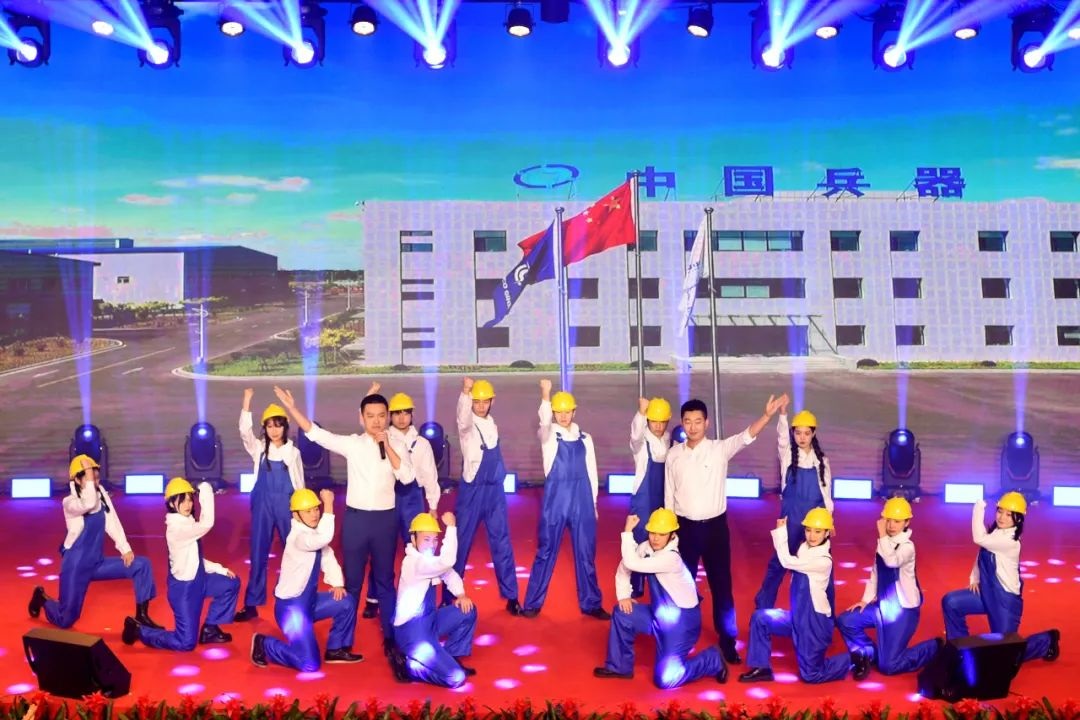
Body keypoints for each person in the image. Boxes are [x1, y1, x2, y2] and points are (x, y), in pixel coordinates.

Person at [272, 386, 412, 658]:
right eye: (370, 416)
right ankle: (341, 643)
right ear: (361, 417)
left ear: (387, 417)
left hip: (385, 520)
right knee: (352, 583)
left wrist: (388, 446)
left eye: (381, 416)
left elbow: (406, 477)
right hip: (356, 521)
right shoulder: (352, 444)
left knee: (385, 581)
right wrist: (292, 408)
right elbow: (316, 434)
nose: (376, 421)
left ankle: (391, 639)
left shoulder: (398, 445)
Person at [664, 394, 787, 663]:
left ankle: (728, 640)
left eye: (698, 421)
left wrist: (767, 415)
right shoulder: (673, 455)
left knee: (721, 585)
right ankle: (680, 638)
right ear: (682, 423)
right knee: (680, 584)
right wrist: (669, 533)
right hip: (684, 529)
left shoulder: (719, 449)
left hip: (715, 529)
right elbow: (668, 495)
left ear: (706, 423)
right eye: (688, 421)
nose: (693, 427)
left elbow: (746, 436)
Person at [593, 509, 727, 688]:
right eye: (652, 532)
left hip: (682, 624)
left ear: (672, 535)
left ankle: (712, 659)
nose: (655, 538)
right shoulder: (646, 547)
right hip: (659, 614)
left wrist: (627, 532)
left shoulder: (671, 559)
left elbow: (632, 562)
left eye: (662, 534)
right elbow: (625, 565)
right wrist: (624, 595)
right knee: (622, 613)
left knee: (665, 680)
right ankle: (619, 667)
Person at [29, 455, 161, 630]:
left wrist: (125, 548)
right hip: (76, 567)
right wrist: (89, 474)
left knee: (142, 565)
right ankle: (42, 598)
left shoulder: (101, 495)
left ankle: (142, 616)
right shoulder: (69, 502)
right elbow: (89, 503)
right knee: (65, 620)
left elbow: (112, 521)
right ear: (77, 480)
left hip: (97, 563)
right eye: (91, 478)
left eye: (97, 478)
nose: (95, 482)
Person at [739, 509, 869, 684]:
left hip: (814, 623)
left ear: (827, 533)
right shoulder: (804, 547)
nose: (812, 536)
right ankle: (761, 667)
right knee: (760, 618)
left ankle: (855, 657)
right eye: (808, 530)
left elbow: (787, 561)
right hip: (798, 617)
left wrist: (781, 532)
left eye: (818, 531)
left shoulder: (823, 560)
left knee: (811, 675)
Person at [521, 380, 608, 620]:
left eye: (567, 411)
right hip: (556, 501)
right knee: (546, 550)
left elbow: (592, 471)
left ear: (574, 412)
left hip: (582, 500)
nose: (563, 415)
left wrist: (593, 504)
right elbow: (543, 422)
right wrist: (545, 395)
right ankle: (532, 602)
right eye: (558, 411)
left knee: (586, 552)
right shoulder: (548, 436)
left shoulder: (586, 438)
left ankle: (591, 603)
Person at [940, 494, 1060, 663]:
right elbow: (982, 552)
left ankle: (1046, 642)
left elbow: (979, 539)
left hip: (1005, 601)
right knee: (951, 602)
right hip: (987, 593)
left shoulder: (1010, 541)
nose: (1002, 517)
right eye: (1000, 511)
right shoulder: (996, 533)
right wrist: (974, 578)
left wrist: (978, 506)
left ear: (1019, 519)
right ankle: (959, 650)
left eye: (1009, 514)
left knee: (1005, 654)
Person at [122, 478, 240, 650]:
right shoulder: (177, 528)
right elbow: (207, 523)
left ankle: (210, 629)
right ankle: (139, 631)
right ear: (171, 503)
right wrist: (206, 488)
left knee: (231, 583)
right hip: (184, 592)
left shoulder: (187, 522)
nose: (188, 504)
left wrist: (219, 569)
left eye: (190, 499)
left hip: (200, 581)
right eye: (182, 500)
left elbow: (193, 559)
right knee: (185, 643)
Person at [251, 488, 362, 670]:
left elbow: (328, 557)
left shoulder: (313, 534)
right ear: (296, 515)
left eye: (316, 509)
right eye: (308, 511)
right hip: (291, 610)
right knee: (309, 664)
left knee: (346, 601)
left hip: (309, 602)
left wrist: (337, 584)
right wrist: (329, 504)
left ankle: (335, 649)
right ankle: (265, 644)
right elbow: (324, 538)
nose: (314, 514)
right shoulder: (299, 538)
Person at [361, 384, 441, 620]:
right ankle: (373, 598)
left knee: (418, 550)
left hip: (413, 499)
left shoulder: (422, 443)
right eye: (397, 413)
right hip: (388, 497)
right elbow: (364, 422)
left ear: (412, 415)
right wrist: (370, 395)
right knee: (381, 550)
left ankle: (419, 597)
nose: (402, 417)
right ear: (390, 416)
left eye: (406, 412)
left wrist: (433, 506)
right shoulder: (381, 438)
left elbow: (430, 475)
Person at [835, 497, 940, 675]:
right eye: (888, 520)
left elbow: (892, 561)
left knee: (889, 666)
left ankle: (934, 647)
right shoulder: (884, 543)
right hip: (883, 606)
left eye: (897, 521)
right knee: (846, 620)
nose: (891, 525)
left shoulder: (907, 546)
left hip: (902, 611)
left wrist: (882, 536)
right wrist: (865, 600)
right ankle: (867, 655)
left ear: (907, 522)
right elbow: (875, 572)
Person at [754, 403, 834, 610]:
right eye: (798, 433)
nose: (802, 437)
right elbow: (782, 439)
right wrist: (783, 414)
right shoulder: (788, 455)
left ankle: (824, 610)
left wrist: (829, 521)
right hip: (791, 517)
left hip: (816, 520)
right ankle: (764, 605)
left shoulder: (822, 461)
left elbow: (826, 492)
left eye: (806, 433)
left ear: (813, 433)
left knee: (820, 563)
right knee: (779, 562)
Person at [235, 388, 305, 622]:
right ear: (264, 428)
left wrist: (302, 512)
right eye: (270, 426)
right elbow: (244, 432)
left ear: (285, 427)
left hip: (287, 505)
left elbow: (300, 484)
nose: (274, 430)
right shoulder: (258, 449)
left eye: (278, 425)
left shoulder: (293, 452)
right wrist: (247, 401)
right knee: (258, 554)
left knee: (294, 552)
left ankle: (296, 598)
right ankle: (252, 603)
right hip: (263, 505)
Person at [453, 377, 521, 615]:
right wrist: (465, 392)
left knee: (502, 542)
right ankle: (450, 595)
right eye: (476, 401)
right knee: (460, 543)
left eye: (485, 401)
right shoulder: (467, 426)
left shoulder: (492, 424)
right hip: (472, 491)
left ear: (493, 401)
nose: (481, 406)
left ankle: (512, 596)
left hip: (495, 492)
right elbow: (462, 417)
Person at [392, 512, 478, 687]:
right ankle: (409, 666)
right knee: (455, 678)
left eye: (435, 540)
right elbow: (446, 563)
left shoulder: (429, 561)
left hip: (430, 622)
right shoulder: (414, 563)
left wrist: (461, 595)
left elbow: (449, 574)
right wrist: (451, 528)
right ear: (413, 539)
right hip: (413, 634)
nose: (431, 545)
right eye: (426, 539)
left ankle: (451, 656)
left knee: (468, 610)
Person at [628, 397, 671, 597]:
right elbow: (635, 435)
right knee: (640, 538)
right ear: (648, 420)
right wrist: (640, 412)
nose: (658, 426)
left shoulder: (669, 439)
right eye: (654, 421)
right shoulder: (640, 441)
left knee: (662, 539)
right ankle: (635, 585)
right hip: (643, 498)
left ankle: (660, 584)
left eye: (662, 422)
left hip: (663, 495)